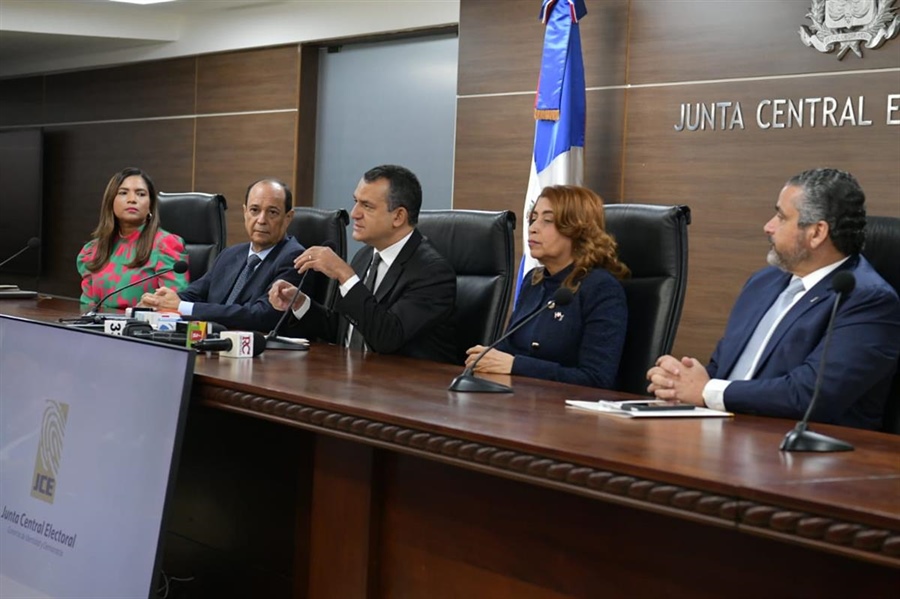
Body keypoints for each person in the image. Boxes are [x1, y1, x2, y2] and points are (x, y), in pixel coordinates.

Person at [646, 168, 900, 430]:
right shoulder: (763, 283)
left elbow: (808, 395)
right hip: (725, 432)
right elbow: (724, 371)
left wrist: (706, 390)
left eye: (781, 217)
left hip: (803, 445)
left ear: (817, 233)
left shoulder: (867, 301)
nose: (768, 227)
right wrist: (678, 382)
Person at [268, 164, 457, 363]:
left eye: (367, 206)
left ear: (398, 216)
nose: (354, 213)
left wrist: (345, 275)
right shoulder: (365, 255)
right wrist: (300, 303)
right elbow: (348, 328)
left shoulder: (433, 272)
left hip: (404, 380)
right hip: (353, 374)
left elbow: (388, 337)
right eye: (355, 202)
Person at [464, 185, 629, 388]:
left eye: (547, 220)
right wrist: (486, 358)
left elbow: (597, 379)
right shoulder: (534, 281)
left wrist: (516, 365)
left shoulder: (601, 289)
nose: (533, 228)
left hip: (567, 405)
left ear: (577, 230)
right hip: (520, 398)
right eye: (533, 218)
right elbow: (508, 347)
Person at [140, 178, 307, 331]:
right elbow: (196, 293)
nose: (261, 220)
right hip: (210, 341)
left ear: (288, 217)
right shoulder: (230, 254)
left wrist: (181, 306)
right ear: (245, 212)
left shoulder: (294, 258)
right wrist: (159, 302)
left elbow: (261, 315)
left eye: (272, 212)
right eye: (254, 210)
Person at [77, 167, 189, 310]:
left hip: (142, 323)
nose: (132, 200)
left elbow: (171, 305)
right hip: (98, 323)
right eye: (123, 193)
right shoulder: (93, 250)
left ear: (150, 205)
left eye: (141, 194)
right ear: (111, 201)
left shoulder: (165, 245)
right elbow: (87, 306)